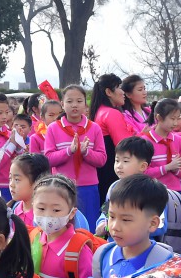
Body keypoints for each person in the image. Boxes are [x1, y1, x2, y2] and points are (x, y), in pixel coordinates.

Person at [44, 85, 106, 229]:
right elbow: (48, 159)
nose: (74, 105)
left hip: (88, 186)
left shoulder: (94, 128)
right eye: (70, 101)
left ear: (85, 104)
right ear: (62, 104)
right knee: (62, 225)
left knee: (89, 225)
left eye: (79, 101)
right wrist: (69, 151)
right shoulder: (54, 128)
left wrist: (86, 153)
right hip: (61, 187)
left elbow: (102, 159)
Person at [95, 137, 154, 237]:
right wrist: (102, 224)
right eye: (117, 160)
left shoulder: (151, 190)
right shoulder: (114, 187)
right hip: (114, 245)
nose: (119, 166)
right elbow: (105, 213)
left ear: (143, 166)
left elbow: (160, 225)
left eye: (125, 161)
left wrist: (131, 227)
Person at [90, 73, 134, 196]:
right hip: (113, 171)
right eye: (119, 87)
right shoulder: (111, 113)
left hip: (102, 171)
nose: (123, 92)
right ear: (109, 92)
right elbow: (125, 145)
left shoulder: (98, 112)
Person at [144, 99, 181, 193]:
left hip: (175, 192)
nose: (176, 123)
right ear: (159, 118)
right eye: (172, 119)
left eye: (178, 118)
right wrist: (167, 167)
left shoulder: (178, 140)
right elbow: (142, 172)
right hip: (153, 192)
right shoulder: (145, 141)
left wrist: (176, 169)